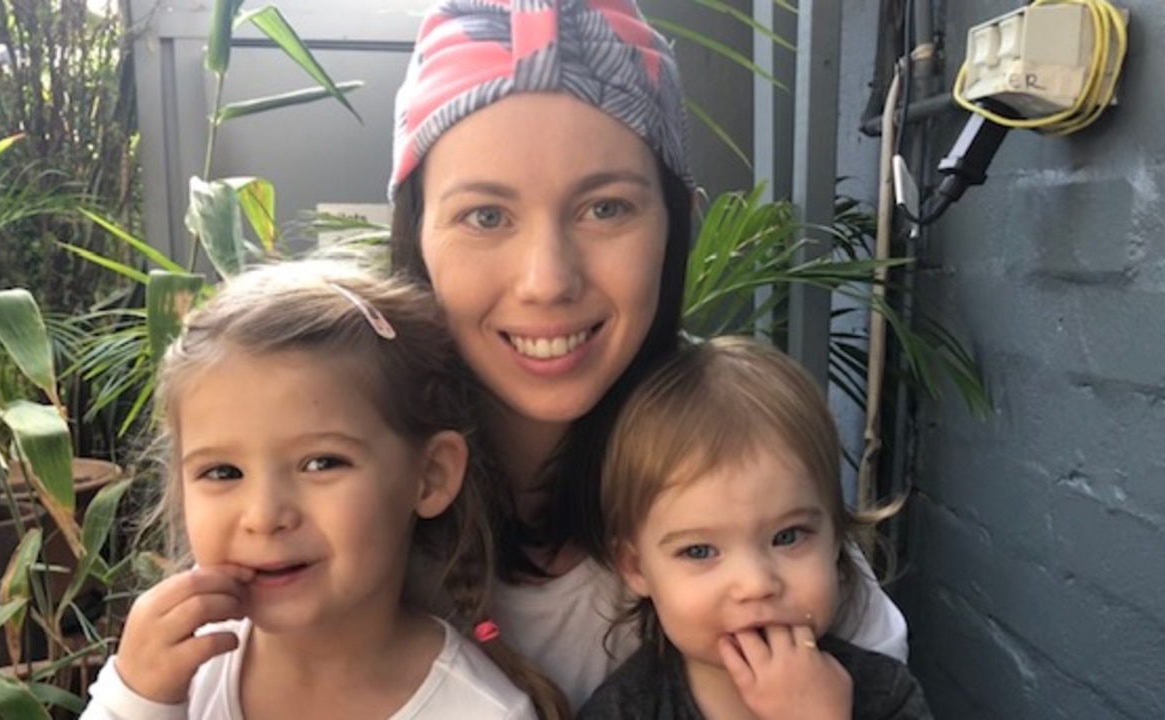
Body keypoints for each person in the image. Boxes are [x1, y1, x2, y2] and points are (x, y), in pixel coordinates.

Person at [388, 0, 910, 708]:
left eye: (605, 208)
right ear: (415, 236)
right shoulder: (345, 479)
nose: (547, 281)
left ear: (677, 227)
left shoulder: (743, 460)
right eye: (486, 216)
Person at [81, 261, 566, 719]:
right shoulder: (176, 671)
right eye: (223, 472)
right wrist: (137, 700)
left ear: (431, 475)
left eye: (321, 463)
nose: (264, 515)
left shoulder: (481, 712)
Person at [578, 337, 931, 719]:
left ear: (835, 540)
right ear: (635, 567)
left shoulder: (884, 694)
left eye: (788, 536)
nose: (756, 584)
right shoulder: (622, 712)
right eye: (699, 550)